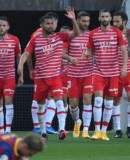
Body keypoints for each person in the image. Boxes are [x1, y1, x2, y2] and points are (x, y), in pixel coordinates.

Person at [18, 6, 80, 140]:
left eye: (52, 23)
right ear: (42, 25)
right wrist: (20, 65)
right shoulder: (36, 39)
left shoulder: (59, 37)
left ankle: (62, 129)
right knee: (41, 107)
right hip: (40, 79)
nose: (50, 26)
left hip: (54, 77)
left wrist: (73, 20)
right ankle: (44, 132)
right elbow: (26, 53)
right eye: (47, 23)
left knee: (59, 101)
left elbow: (76, 34)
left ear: (56, 24)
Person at [83, 9, 128, 141]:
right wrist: (86, 54)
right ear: (99, 18)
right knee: (98, 100)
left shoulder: (117, 32)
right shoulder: (93, 33)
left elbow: (124, 51)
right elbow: (89, 50)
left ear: (110, 18)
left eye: (107, 16)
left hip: (113, 72)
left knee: (109, 103)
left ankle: (103, 132)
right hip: (98, 71)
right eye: (102, 16)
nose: (105, 18)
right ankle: (96, 131)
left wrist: (124, 67)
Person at [28, 12, 60, 135]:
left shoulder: (54, 35)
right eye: (51, 23)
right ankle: (39, 125)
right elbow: (29, 53)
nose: (52, 25)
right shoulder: (37, 35)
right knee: (40, 97)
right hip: (42, 71)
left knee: (50, 96)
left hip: (53, 69)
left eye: (54, 23)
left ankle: (45, 125)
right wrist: (31, 69)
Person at [112, 11, 130, 139]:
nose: (114, 23)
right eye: (114, 21)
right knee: (116, 100)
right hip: (114, 72)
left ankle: (129, 127)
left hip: (129, 71)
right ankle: (117, 129)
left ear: (125, 22)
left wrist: (128, 42)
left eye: (117, 21)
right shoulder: (110, 33)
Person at [67, 11, 92, 138]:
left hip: (88, 73)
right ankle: (77, 122)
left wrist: (91, 54)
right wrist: (70, 58)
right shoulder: (70, 35)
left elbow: (97, 51)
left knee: (87, 99)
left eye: (87, 21)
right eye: (83, 21)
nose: (86, 23)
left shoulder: (92, 35)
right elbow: (62, 52)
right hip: (72, 74)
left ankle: (86, 130)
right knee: (73, 104)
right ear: (77, 21)